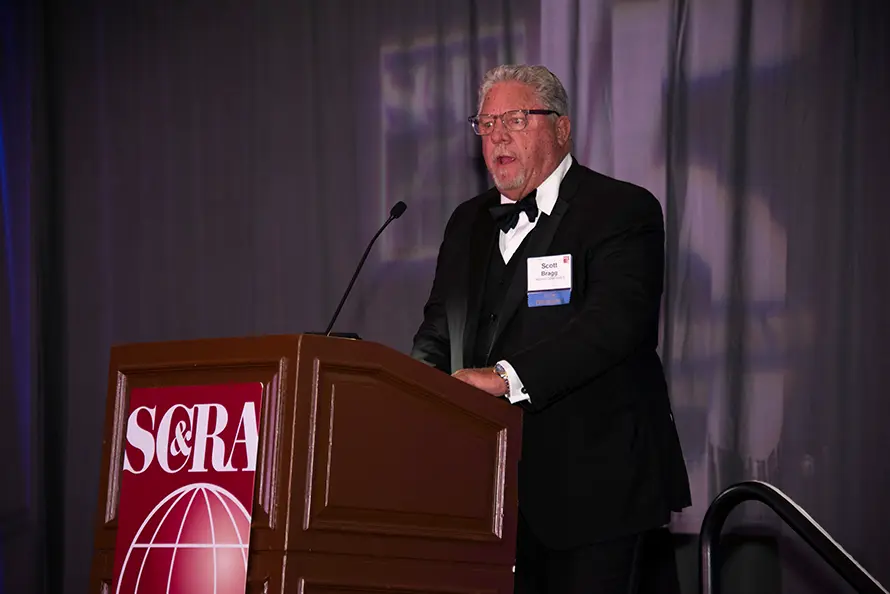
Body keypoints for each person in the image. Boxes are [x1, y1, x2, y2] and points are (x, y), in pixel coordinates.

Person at [410, 64, 692, 593]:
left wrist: (503, 376)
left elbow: (614, 326)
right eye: (486, 123)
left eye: (514, 119)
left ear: (561, 128)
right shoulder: (466, 222)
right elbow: (438, 328)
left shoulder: (620, 208)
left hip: (597, 492)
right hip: (488, 499)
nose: (496, 135)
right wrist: (417, 389)